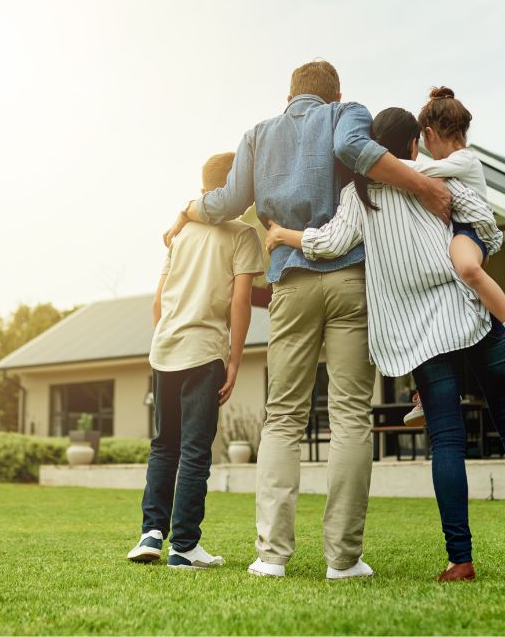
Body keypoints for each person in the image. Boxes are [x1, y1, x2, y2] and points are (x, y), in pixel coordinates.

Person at [164, 60, 451, 580]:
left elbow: (229, 201)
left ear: (289, 96)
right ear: (335, 93)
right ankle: (343, 560)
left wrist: (189, 207)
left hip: (290, 284)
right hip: (348, 282)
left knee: (283, 418)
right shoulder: (347, 112)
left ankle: (271, 556)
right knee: (349, 417)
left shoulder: (258, 134)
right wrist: (423, 186)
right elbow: (352, 151)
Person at [266, 103, 505, 583]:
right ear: (414, 144)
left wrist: (283, 234)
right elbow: (483, 222)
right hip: (469, 314)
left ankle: (461, 559)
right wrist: (470, 245)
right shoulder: (433, 177)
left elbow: (329, 243)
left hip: (422, 338)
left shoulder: (358, 193)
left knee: (447, 440)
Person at [128, 152, 265, 569]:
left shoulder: (180, 234)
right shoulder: (242, 235)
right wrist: (235, 360)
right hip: (204, 352)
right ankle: (184, 546)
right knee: (194, 450)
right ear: (233, 188)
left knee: (163, 445)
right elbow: (241, 301)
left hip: (165, 350)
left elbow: (157, 301)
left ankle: (151, 534)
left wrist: (164, 339)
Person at [401, 87, 505, 427]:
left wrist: (379, 163)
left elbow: (419, 174)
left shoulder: (464, 160)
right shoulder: (453, 161)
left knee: (465, 268)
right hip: (454, 236)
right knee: (437, 312)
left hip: (470, 233)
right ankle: (424, 389)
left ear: (430, 134)